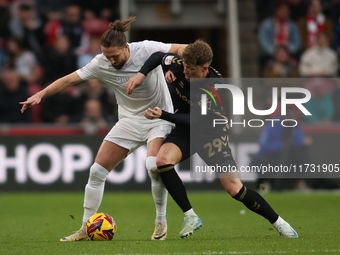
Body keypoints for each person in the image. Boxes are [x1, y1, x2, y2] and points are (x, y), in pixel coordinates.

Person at [20, 16, 187, 241]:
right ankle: (84, 228)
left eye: (114, 56)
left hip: (158, 118)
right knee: (96, 172)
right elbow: (69, 80)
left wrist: (185, 68)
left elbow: (183, 49)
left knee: (152, 167)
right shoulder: (100, 62)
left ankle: (160, 222)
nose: (110, 60)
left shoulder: (147, 49)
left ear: (126, 48)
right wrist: (40, 94)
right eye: (106, 55)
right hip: (128, 121)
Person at [126, 40, 299, 239]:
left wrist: (162, 114)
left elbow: (196, 119)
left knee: (235, 189)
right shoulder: (181, 64)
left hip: (210, 134)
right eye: (184, 66)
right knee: (162, 161)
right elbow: (158, 57)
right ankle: (190, 216)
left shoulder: (215, 87)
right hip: (185, 130)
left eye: (190, 69)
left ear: (205, 69)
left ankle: (279, 223)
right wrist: (141, 75)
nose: (186, 72)